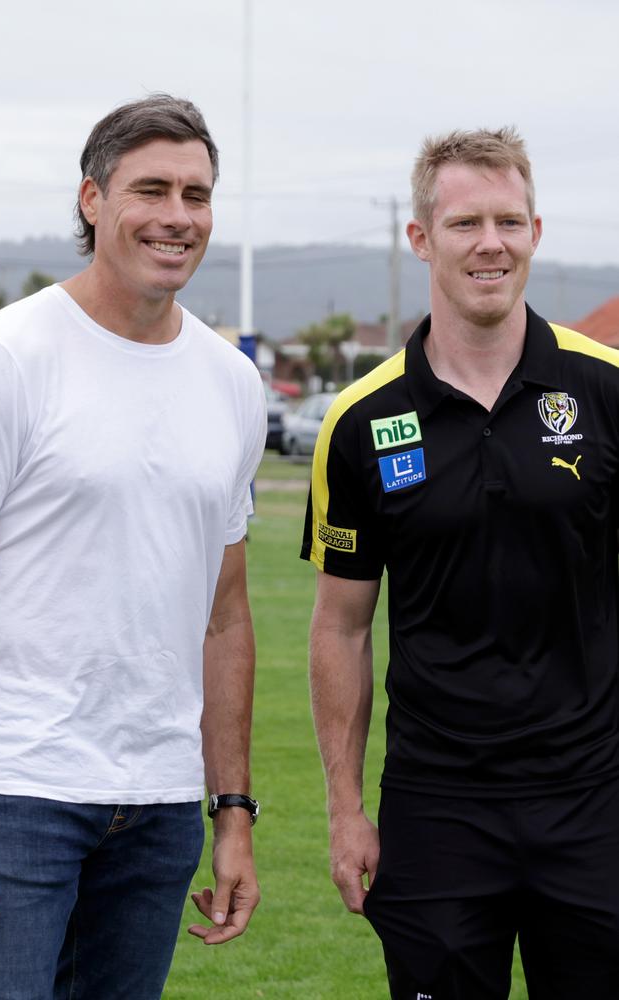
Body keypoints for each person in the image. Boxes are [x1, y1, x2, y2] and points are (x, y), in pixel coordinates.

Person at [302, 127, 619, 999]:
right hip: (437, 812)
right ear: (420, 239)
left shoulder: (605, 390)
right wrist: (345, 812)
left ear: (536, 232)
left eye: (509, 222)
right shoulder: (362, 420)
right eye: (466, 222)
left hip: (595, 802)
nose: (491, 243)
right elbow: (339, 625)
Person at [0, 94, 266, 999]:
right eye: (152, 190)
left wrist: (233, 813)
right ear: (93, 199)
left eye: (198, 195)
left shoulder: (233, 383)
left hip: (161, 806)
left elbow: (224, 617)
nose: (179, 217)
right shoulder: (9, 357)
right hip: (13, 790)